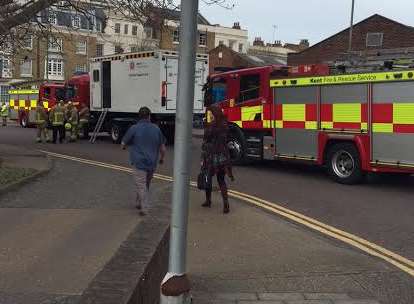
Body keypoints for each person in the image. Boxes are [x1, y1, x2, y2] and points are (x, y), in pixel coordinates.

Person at [121, 107, 166, 216]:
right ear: (149, 116)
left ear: (139, 116)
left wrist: (125, 147)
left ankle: (144, 208)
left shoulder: (134, 128)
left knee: (141, 184)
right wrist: (161, 158)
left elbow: (123, 143)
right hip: (152, 162)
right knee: (145, 184)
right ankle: (138, 202)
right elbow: (162, 148)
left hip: (138, 161)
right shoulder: (156, 129)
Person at [201, 105, 234, 214]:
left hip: (212, 156)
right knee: (221, 180)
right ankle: (226, 204)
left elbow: (206, 137)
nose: (209, 116)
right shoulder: (224, 125)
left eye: (210, 114)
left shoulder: (212, 126)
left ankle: (208, 200)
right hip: (223, 157)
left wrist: (208, 124)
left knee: (207, 177)